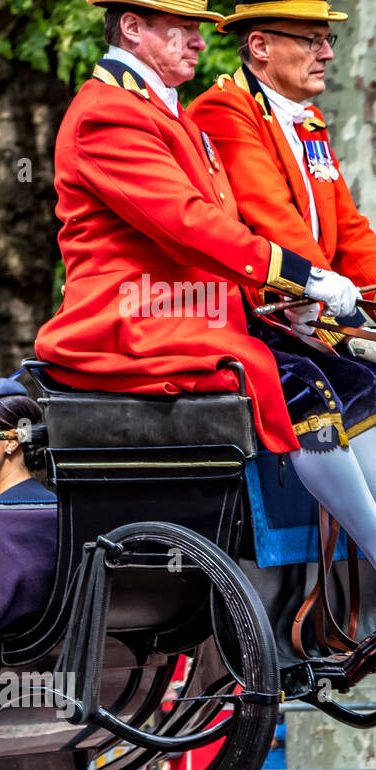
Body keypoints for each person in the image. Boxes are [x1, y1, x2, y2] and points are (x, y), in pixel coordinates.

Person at [34, 0, 376, 567]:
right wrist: (304, 277)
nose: (198, 41)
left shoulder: (163, 109)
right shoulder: (107, 113)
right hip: (134, 317)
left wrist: (287, 297)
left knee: (355, 379)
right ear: (132, 28)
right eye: (184, 28)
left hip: (199, 310)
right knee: (304, 387)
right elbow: (190, 225)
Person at [188, 2, 376, 548]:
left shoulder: (307, 121)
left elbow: (351, 230)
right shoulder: (224, 109)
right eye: (311, 39)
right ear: (261, 46)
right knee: (331, 388)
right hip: (254, 310)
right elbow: (272, 217)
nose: (325, 53)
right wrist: (315, 285)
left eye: (328, 41)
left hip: (307, 308)